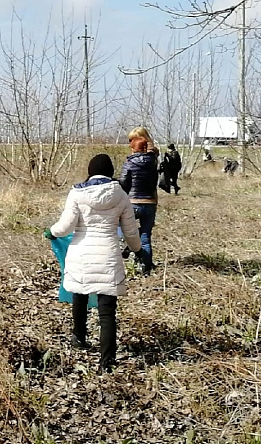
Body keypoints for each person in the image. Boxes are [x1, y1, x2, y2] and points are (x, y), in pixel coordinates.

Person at [44, 154, 142, 374]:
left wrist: (51, 232)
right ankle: (107, 361)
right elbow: (130, 232)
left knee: (80, 295)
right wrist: (137, 249)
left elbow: (66, 226)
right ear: (110, 171)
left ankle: (79, 337)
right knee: (107, 312)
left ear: (90, 171)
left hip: (81, 253)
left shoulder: (77, 193)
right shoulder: (121, 195)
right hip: (108, 254)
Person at [119, 130, 159, 275]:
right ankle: (146, 267)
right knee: (145, 235)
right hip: (150, 202)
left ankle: (126, 243)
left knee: (119, 223)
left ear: (133, 148)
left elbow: (123, 183)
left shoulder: (129, 163)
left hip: (133, 202)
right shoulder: (153, 162)